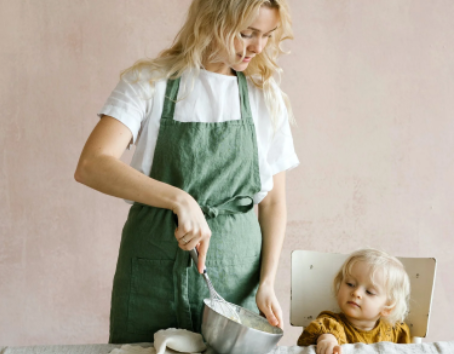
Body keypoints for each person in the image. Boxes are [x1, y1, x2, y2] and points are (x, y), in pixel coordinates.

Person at [74, 0, 298, 344]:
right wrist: (180, 199)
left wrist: (267, 282)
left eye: (267, 35)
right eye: (246, 33)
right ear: (210, 21)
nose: (258, 47)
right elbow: (92, 164)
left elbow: (273, 204)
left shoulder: (264, 97)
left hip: (236, 279)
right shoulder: (150, 82)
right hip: (151, 271)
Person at [297, 249, 411, 354]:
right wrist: (327, 341)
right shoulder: (331, 323)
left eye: (369, 292)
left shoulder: (396, 332)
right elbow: (325, 334)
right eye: (350, 284)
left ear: (387, 307)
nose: (356, 293)